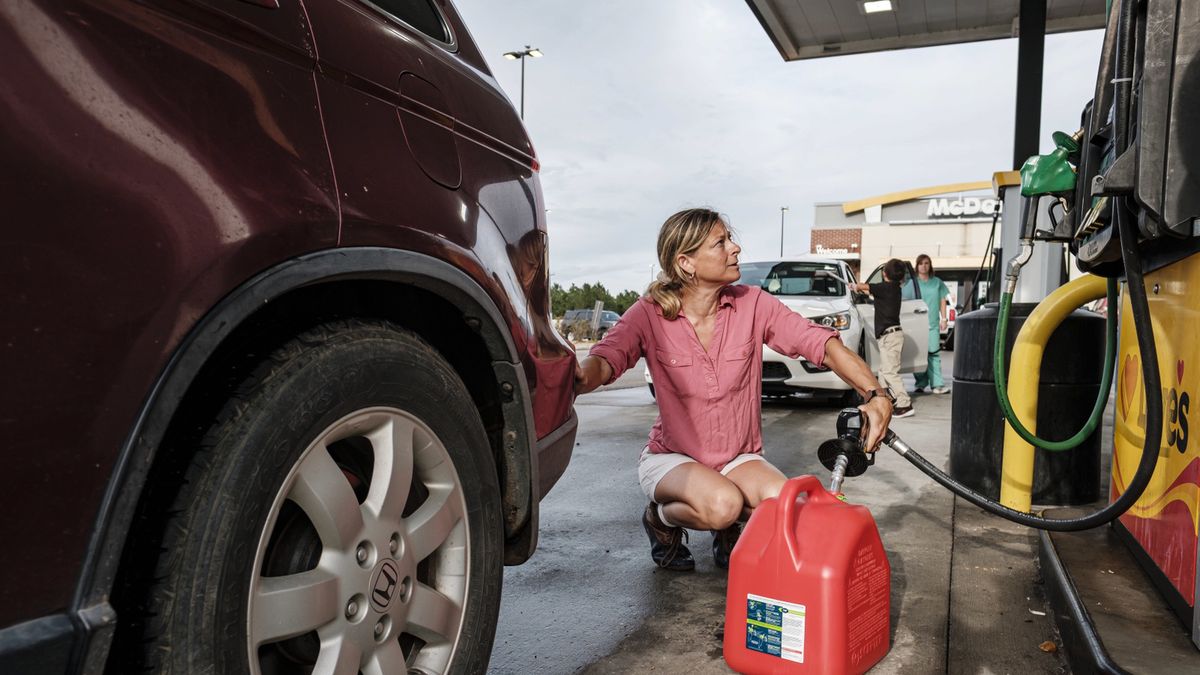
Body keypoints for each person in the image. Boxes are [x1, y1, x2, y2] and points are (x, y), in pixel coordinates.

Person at [574, 208, 897, 572]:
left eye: (730, 239)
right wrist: (575, 377)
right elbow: (604, 361)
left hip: (737, 458)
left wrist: (876, 395)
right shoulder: (649, 313)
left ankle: (728, 528)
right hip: (674, 458)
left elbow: (822, 344)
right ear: (686, 262)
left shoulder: (752, 303)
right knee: (723, 505)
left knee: (786, 506)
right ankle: (662, 520)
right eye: (721, 242)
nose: (736, 248)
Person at [850, 259, 915, 418]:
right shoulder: (892, 289)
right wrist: (860, 288)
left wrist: (855, 286)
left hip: (890, 337)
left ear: (884, 273)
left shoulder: (885, 288)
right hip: (890, 336)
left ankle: (905, 404)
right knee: (884, 371)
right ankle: (886, 401)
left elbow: (866, 287)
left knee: (890, 372)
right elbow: (871, 291)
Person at [913, 253, 951, 395]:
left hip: (933, 324)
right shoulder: (913, 283)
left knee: (934, 353)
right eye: (921, 263)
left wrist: (944, 319)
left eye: (926, 263)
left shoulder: (937, 282)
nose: (924, 266)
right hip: (916, 324)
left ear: (930, 265)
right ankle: (920, 384)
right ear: (917, 266)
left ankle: (937, 385)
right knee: (919, 355)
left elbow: (942, 300)